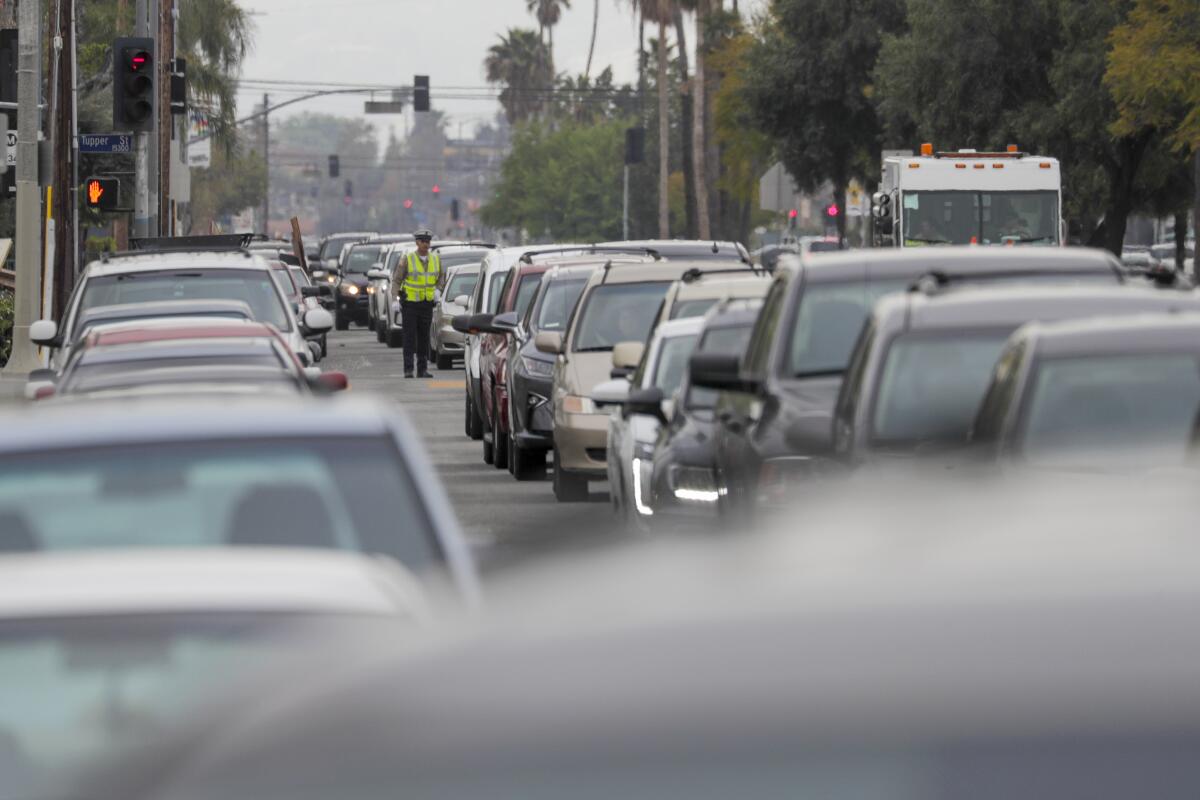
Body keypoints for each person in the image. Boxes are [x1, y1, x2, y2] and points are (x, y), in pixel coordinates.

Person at [393, 230, 444, 378]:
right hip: (410, 304)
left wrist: (438, 290)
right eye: (422, 241)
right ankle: (408, 369)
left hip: (426, 304)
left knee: (424, 338)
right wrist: (394, 298)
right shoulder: (408, 259)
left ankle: (422, 369)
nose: (425, 245)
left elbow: (441, 277)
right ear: (417, 243)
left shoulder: (435, 259)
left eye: (427, 242)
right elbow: (397, 280)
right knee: (409, 337)